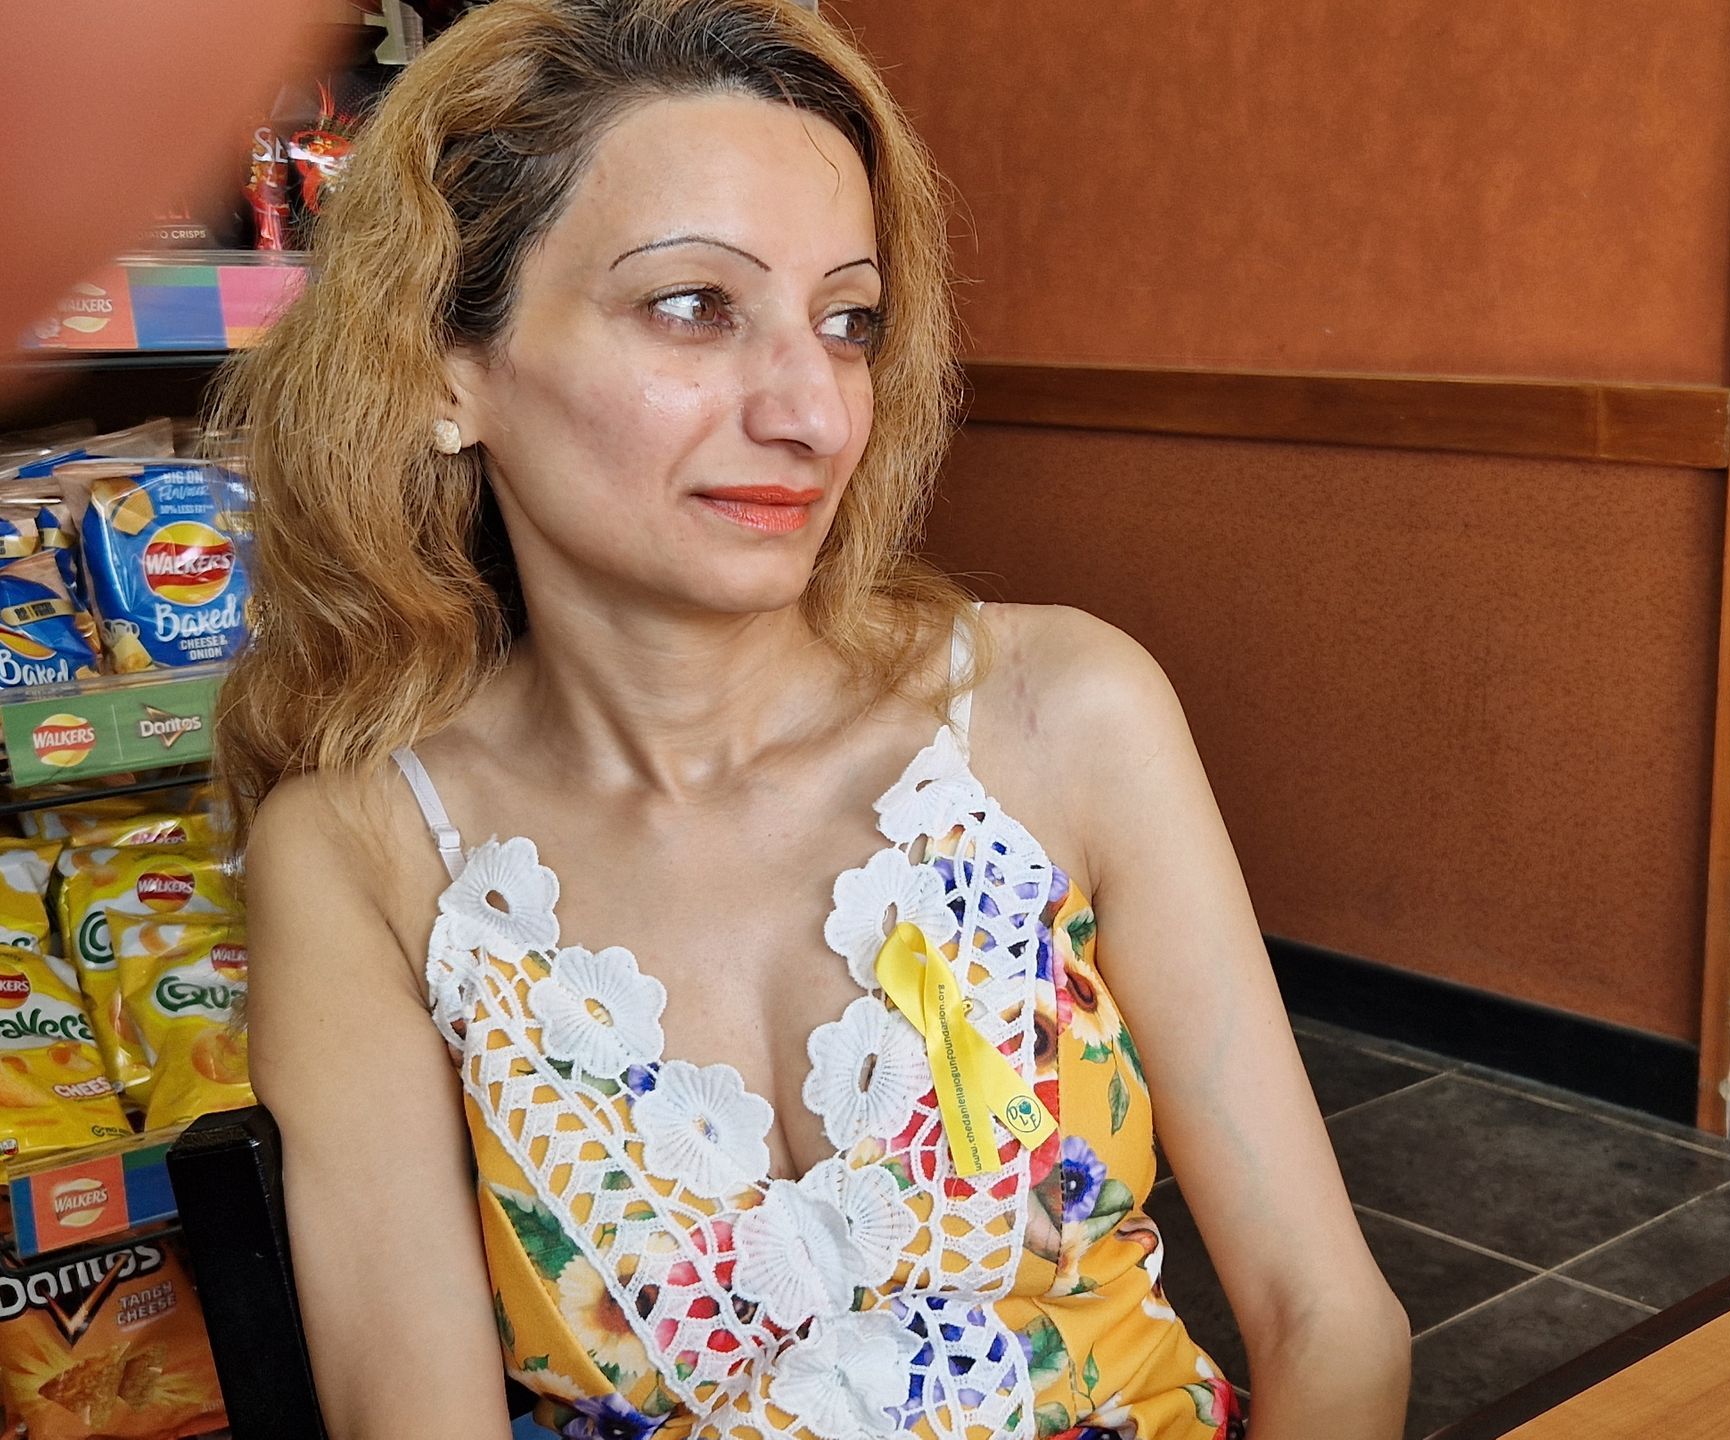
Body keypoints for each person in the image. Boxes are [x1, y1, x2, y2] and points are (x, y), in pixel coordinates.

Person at [219, 1, 1411, 1436]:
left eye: (848, 323)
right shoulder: (363, 856)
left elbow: (1330, 1323)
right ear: (440, 368)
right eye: (693, 306)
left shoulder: (1064, 712)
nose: (817, 414)